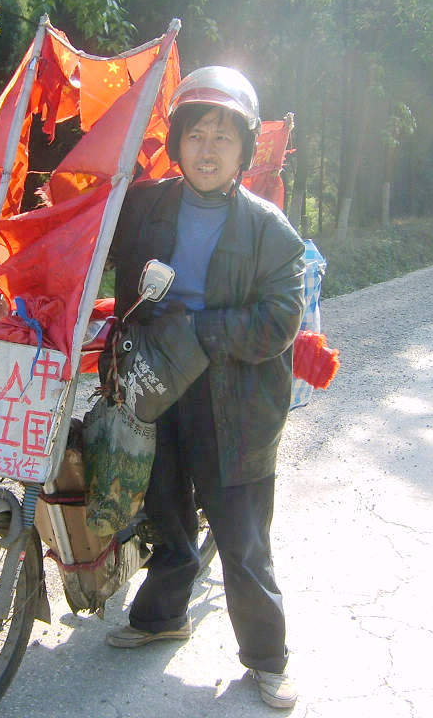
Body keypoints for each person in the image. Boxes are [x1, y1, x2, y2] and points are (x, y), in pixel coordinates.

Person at [102, 66, 307, 710]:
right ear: (178, 141)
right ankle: (164, 613)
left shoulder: (269, 230)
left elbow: (278, 322)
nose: (209, 148)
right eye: (197, 134)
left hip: (236, 401)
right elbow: (86, 239)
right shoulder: (143, 206)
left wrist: (197, 330)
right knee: (164, 510)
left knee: (242, 537)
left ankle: (267, 659)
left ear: (246, 151)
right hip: (159, 388)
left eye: (224, 136)